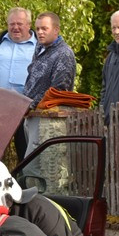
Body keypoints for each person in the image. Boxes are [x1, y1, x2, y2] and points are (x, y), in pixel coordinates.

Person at [22, 12, 77, 155]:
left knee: (35, 166)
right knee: (31, 165)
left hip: (48, 120)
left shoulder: (63, 54)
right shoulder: (40, 48)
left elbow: (58, 89)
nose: (40, 32)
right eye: (38, 28)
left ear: (56, 30)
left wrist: (30, 104)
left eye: (44, 28)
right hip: (32, 115)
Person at [0, 7, 37, 94]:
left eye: (19, 24)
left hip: (28, 103)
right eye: (12, 24)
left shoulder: (40, 47)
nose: (15, 27)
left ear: (29, 25)